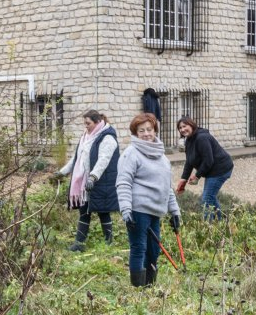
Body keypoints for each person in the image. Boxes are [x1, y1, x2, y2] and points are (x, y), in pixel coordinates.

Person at [116, 112, 180, 287]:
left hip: (155, 211)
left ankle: (149, 287)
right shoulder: (131, 154)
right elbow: (123, 183)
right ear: (136, 133)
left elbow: (167, 187)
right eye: (141, 130)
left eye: (149, 130)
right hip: (138, 209)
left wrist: (175, 212)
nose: (146, 134)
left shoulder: (162, 156)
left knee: (153, 250)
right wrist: (126, 210)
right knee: (139, 248)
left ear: (155, 131)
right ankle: (138, 290)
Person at [56, 109, 120, 251]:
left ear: (97, 122)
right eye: (85, 123)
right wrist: (61, 173)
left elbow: (104, 160)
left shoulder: (107, 138)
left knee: (103, 212)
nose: (86, 126)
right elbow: (77, 158)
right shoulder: (86, 136)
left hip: (101, 181)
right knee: (84, 211)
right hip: (85, 183)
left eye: (88, 123)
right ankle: (79, 244)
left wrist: (93, 177)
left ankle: (108, 244)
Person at [176, 116, 234, 220]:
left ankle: (208, 228)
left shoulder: (202, 138)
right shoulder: (189, 140)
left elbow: (208, 160)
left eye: (185, 126)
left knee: (206, 200)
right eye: (180, 128)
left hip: (220, 170)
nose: (182, 129)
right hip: (211, 170)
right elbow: (189, 161)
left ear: (191, 125)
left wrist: (197, 176)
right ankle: (222, 223)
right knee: (210, 197)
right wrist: (183, 179)